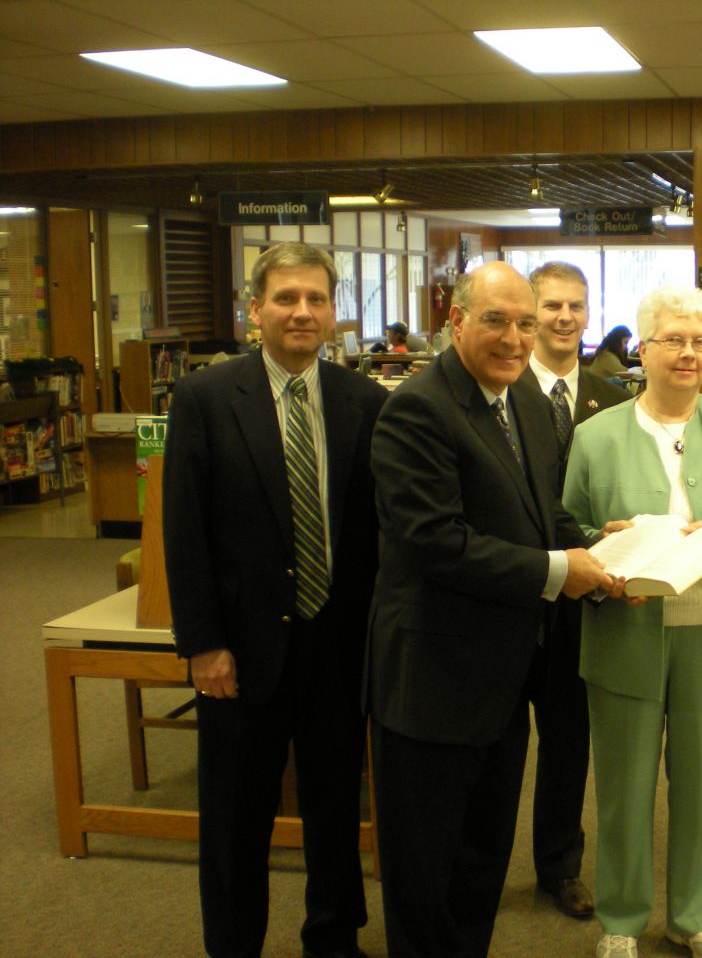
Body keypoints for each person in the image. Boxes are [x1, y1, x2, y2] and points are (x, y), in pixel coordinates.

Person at [366, 260, 615, 958]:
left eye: (525, 323)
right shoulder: (417, 408)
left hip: (502, 672)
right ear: (456, 321)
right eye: (497, 321)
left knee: (482, 853)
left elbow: (542, 513)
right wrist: (559, 570)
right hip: (434, 678)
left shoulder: (523, 400)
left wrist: (596, 547)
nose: (515, 338)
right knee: (427, 865)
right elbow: (435, 543)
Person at [163, 241, 388, 958]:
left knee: (334, 809)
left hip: (336, 647)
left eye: (316, 299)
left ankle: (334, 939)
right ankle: (233, 945)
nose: (302, 312)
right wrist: (203, 644)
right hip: (239, 650)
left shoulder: (365, 402)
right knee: (236, 817)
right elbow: (185, 531)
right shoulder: (204, 398)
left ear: (334, 311)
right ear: (254, 308)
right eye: (286, 298)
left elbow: (374, 533)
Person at [563, 284, 702, 958]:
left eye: (700, 342)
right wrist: (605, 542)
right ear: (644, 349)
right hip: (624, 630)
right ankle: (621, 922)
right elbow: (568, 529)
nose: (688, 353)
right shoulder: (595, 435)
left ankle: (694, 917)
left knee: (701, 784)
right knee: (623, 788)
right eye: (673, 340)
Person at [519, 262, 629, 920]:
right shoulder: (501, 391)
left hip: (583, 599)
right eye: (552, 305)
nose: (565, 317)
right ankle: (475, 865)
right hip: (513, 593)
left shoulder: (613, 398)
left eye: (576, 306)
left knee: (567, 740)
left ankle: (558, 866)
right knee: (495, 741)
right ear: (531, 314)